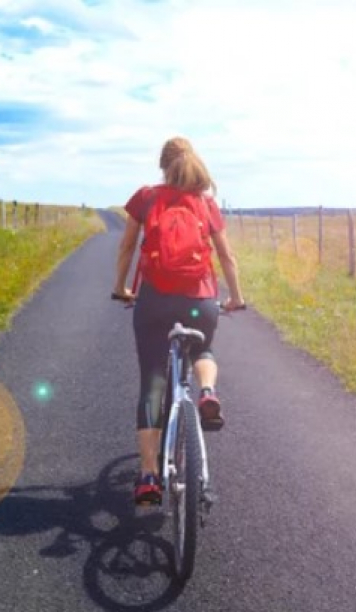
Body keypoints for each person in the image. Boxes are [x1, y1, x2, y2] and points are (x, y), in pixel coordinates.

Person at [111, 136, 246, 506]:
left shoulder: (146, 197)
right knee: (204, 347)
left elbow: (125, 247)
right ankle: (206, 393)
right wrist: (235, 297)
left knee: (153, 379)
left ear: (162, 166)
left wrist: (121, 287)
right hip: (198, 301)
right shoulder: (206, 203)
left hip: (154, 300)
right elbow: (227, 255)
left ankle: (149, 476)